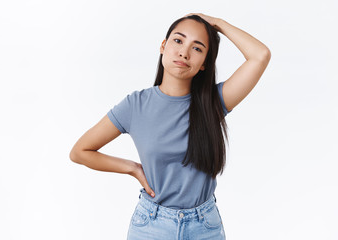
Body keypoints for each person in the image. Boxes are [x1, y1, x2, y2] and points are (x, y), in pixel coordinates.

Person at [69, 13, 271, 240]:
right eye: (178, 40)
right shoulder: (135, 105)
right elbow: (80, 152)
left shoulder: (213, 102)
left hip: (204, 226)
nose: (184, 52)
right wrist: (132, 168)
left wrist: (218, 24)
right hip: (151, 225)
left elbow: (260, 55)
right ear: (163, 46)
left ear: (204, 63)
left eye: (197, 48)